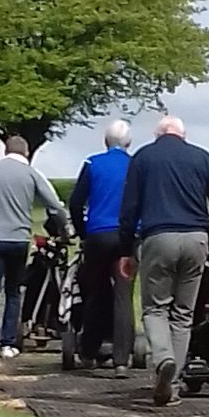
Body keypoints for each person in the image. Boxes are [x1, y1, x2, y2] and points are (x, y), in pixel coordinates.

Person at [118, 116, 209, 405]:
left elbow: (130, 208)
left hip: (158, 237)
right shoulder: (202, 157)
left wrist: (125, 249)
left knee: (155, 309)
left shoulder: (143, 157)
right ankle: (171, 384)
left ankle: (163, 360)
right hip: (196, 239)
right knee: (183, 314)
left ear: (158, 135)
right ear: (183, 135)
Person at [0, 136, 68, 360]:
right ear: (26, 152)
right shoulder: (31, 174)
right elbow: (55, 205)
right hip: (18, 240)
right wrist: (63, 230)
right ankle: (7, 344)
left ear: (5, 151)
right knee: (13, 292)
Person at [68, 119, 134, 377]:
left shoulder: (92, 163)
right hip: (126, 237)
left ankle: (89, 350)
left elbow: (76, 203)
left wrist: (82, 233)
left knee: (96, 291)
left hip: (97, 235)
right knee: (123, 295)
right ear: (128, 143)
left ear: (106, 141)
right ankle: (121, 359)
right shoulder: (134, 165)